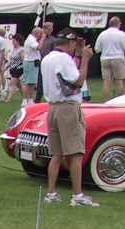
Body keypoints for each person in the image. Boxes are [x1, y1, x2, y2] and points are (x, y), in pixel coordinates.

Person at [42, 29, 98, 207]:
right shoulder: (64, 59)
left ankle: (51, 193)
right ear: (70, 43)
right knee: (75, 153)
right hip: (68, 108)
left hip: (52, 107)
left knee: (56, 154)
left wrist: (80, 56)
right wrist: (86, 60)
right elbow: (78, 81)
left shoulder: (48, 58)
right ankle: (77, 195)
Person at [96, 17, 125, 99]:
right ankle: (120, 102)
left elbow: (97, 49)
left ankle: (106, 102)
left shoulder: (102, 34)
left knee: (106, 81)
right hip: (117, 59)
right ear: (118, 24)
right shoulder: (121, 34)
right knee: (119, 81)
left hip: (105, 59)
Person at [22, 27, 42, 105]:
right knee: (28, 83)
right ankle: (24, 100)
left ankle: (30, 100)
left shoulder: (31, 39)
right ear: (36, 33)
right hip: (31, 62)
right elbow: (39, 47)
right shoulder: (31, 40)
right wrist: (43, 39)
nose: (40, 37)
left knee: (31, 83)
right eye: (40, 34)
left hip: (33, 62)